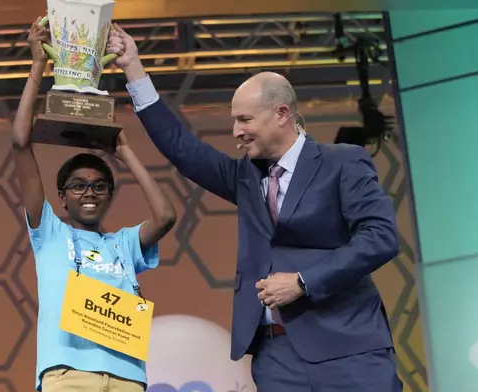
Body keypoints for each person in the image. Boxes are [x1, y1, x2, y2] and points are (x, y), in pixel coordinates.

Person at [107, 25, 403, 392]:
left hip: (349, 351)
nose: (235, 131)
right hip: (276, 357)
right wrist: (133, 68)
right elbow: (181, 147)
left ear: (281, 113)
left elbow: (382, 238)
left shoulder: (342, 162)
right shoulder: (244, 177)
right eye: (234, 120)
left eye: (244, 119)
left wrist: (302, 282)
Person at [13, 18, 177, 392]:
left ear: (109, 195)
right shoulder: (50, 232)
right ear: (62, 197)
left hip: (127, 377)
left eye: (100, 186)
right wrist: (38, 66)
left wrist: (124, 151)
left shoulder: (123, 244)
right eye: (78, 185)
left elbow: (166, 216)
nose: (89, 192)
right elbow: (21, 143)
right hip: (67, 376)